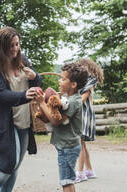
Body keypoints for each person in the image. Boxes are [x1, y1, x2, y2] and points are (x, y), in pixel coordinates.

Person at [0, 26, 43, 192]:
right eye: (11, 45)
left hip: (23, 120)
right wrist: (24, 95)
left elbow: (37, 84)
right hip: (2, 123)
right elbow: (1, 95)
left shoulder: (22, 60)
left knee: (15, 166)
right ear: (1, 46)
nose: (15, 49)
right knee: (7, 165)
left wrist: (35, 77)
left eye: (17, 44)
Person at [37, 62, 88, 192]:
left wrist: (42, 103)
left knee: (66, 182)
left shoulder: (72, 101)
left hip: (68, 146)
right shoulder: (68, 98)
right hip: (68, 145)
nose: (59, 81)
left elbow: (55, 121)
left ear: (73, 84)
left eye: (63, 79)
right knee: (68, 180)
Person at [75, 58, 104, 182]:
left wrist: (71, 104)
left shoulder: (90, 81)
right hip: (84, 113)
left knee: (80, 143)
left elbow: (83, 98)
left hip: (84, 113)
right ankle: (89, 170)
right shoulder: (87, 81)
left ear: (86, 67)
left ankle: (80, 173)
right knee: (82, 143)